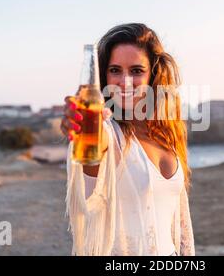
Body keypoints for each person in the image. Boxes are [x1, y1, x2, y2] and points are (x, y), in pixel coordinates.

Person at [60, 23, 195, 256]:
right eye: (115, 70)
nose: (125, 82)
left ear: (153, 75)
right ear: (103, 76)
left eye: (136, 71)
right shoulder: (109, 133)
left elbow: (179, 223)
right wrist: (83, 126)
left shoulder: (166, 135)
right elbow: (95, 151)